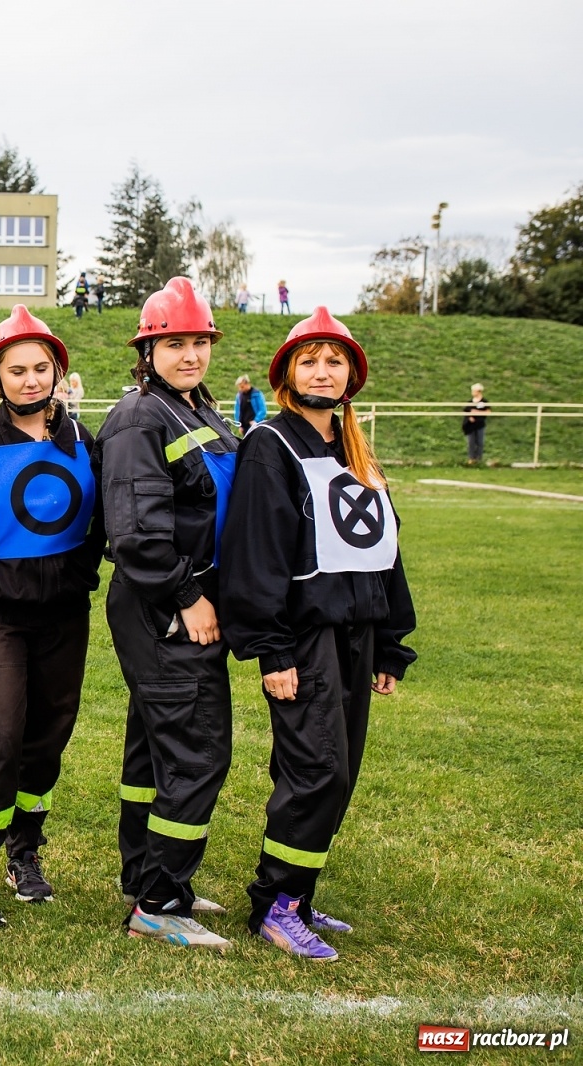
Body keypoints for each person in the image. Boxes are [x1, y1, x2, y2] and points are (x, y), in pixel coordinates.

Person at [221, 307, 416, 961]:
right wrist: (270, 649)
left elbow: (385, 551)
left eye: (334, 360)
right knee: (316, 769)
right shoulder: (270, 446)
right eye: (309, 359)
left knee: (343, 770)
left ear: (352, 376)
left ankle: (300, 896)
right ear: (286, 375)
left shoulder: (355, 450)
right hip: (302, 638)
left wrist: (391, 641)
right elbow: (255, 554)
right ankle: (275, 905)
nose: (323, 370)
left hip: (358, 635)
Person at [0, 306, 104, 929]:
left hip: (64, 613)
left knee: (47, 738)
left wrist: (81, 578)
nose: (31, 380)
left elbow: (97, 526)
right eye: (17, 370)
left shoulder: (82, 441)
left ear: (58, 372)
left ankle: (25, 852)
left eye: (41, 368)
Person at [95, 276, 238, 952]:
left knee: (155, 747)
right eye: (174, 343)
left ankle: (149, 878)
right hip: (167, 605)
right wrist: (189, 597)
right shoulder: (140, 417)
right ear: (147, 350)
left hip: (181, 599)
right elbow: (136, 532)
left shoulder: (196, 409)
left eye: (198, 342)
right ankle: (157, 901)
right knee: (197, 747)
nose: (189, 354)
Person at [462, 384, 489, 463]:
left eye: (473, 391)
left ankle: (479, 459)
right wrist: (469, 417)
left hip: (480, 425)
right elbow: (465, 411)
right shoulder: (470, 402)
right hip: (470, 426)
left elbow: (488, 412)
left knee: (479, 442)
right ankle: (471, 459)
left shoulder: (484, 402)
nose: (472, 392)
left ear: (479, 391)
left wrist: (477, 412)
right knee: (471, 443)